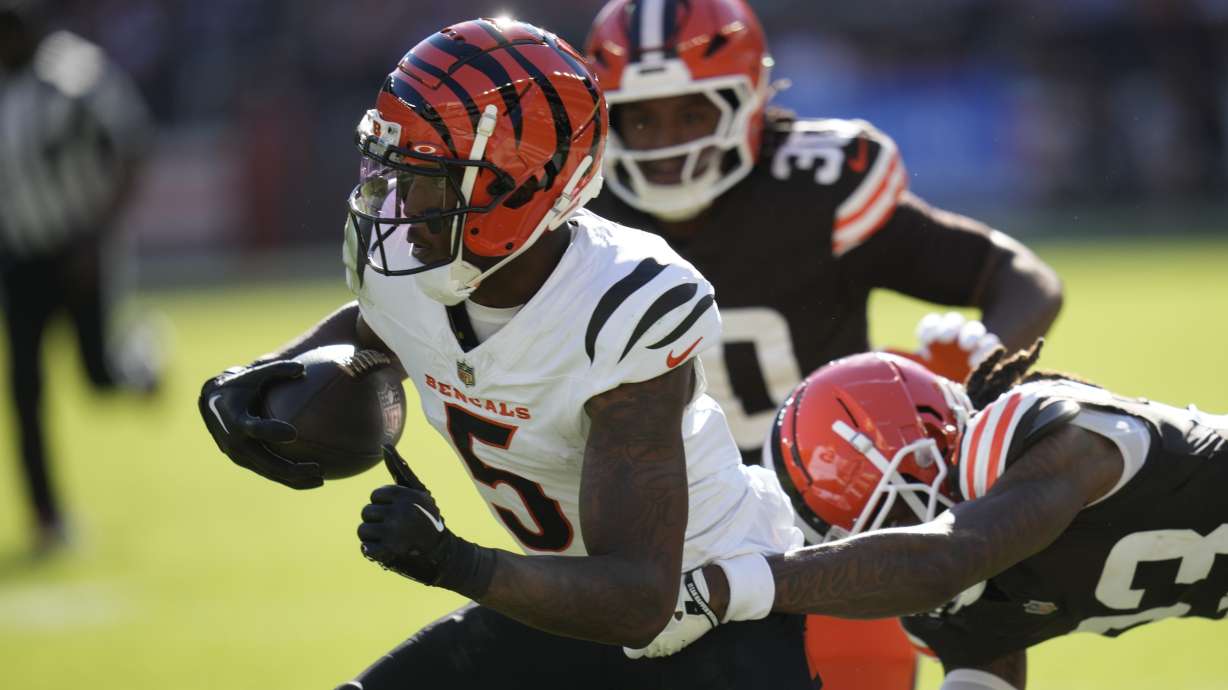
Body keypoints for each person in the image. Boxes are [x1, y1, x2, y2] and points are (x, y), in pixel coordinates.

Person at [198, 18, 818, 690]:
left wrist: (453, 561)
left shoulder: (621, 306)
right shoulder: (416, 265)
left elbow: (640, 596)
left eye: (425, 175)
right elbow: (379, 329)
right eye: (391, 169)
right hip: (563, 609)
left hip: (706, 629)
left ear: (513, 185)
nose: (398, 203)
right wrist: (262, 380)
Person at [581, 0, 1063, 686]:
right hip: (665, 544)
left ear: (747, 101)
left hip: (832, 532)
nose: (667, 141)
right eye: (641, 116)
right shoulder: (579, 218)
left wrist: (971, 389)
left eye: (693, 112)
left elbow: (1022, 280)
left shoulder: (811, 190)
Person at [660, 346, 1228, 690]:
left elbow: (949, 556)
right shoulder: (946, 607)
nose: (881, 547)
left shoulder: (1052, 437)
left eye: (898, 510)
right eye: (858, 536)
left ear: (936, 445)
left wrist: (730, 587)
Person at [0, 0, 162, 554]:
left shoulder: (74, 75)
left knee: (97, 377)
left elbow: (132, 150)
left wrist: (96, 238)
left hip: (78, 249)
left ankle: (139, 365)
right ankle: (46, 516)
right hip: (20, 257)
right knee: (24, 387)